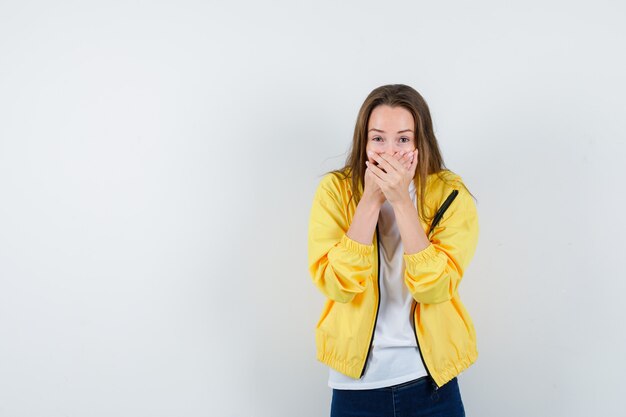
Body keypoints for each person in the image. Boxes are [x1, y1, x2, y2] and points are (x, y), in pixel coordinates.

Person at [307, 84, 480, 417]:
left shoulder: (450, 193)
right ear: (364, 142)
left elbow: (435, 287)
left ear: (419, 142)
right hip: (355, 386)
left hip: (430, 382)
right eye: (378, 139)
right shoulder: (335, 191)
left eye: (402, 139)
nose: (389, 152)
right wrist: (370, 201)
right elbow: (335, 284)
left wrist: (402, 202)